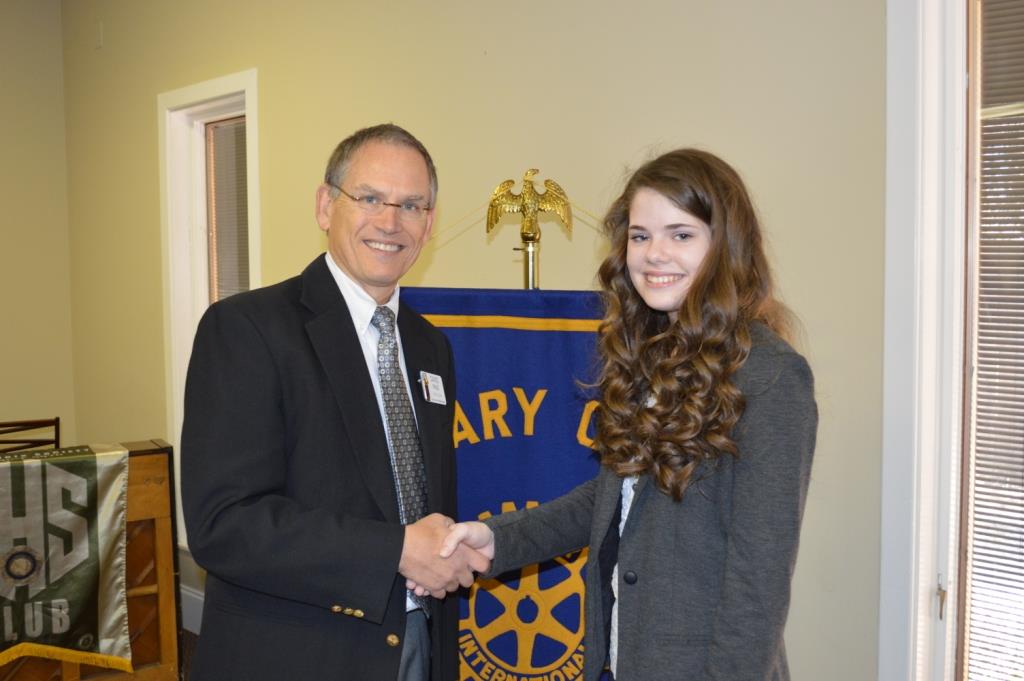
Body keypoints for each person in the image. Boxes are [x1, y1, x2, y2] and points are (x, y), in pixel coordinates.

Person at [433, 148, 818, 681]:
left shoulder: (772, 376)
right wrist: (496, 539)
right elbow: (615, 502)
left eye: (680, 234)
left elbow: (759, 582)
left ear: (726, 246)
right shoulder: (650, 354)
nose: (654, 254)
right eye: (640, 236)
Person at [181, 123, 488, 681]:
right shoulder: (247, 329)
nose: (390, 222)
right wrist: (395, 550)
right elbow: (224, 524)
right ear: (326, 206)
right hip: (296, 657)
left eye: (411, 205)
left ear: (429, 224)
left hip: (419, 643)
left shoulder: (430, 347)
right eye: (369, 198)